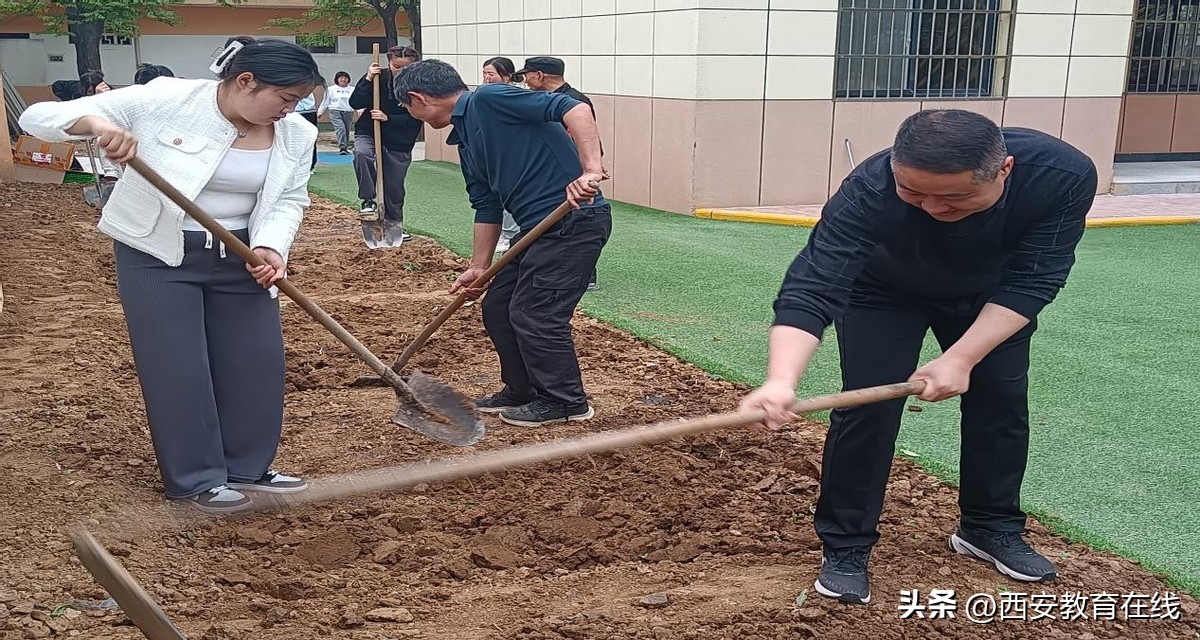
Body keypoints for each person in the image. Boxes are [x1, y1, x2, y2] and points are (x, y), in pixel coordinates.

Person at [739, 110, 1098, 605]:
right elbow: (813, 284)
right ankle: (846, 546)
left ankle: (988, 526)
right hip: (881, 293)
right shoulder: (870, 187)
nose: (931, 207)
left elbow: (1036, 278)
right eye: (913, 193)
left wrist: (963, 357)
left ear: (1005, 170)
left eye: (953, 197)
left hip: (992, 298)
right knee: (867, 407)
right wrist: (781, 379)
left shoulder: (1061, 175)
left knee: (1000, 401)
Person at [19, 36, 324, 515]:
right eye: (284, 99)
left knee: (255, 362)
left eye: (296, 102)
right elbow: (36, 118)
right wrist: (98, 124)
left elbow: (289, 198)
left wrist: (270, 246)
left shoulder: (296, 135)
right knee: (177, 367)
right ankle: (197, 479)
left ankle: (247, 466)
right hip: (158, 253)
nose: (289, 111)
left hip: (242, 257)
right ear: (245, 82)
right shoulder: (166, 98)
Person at [394, 59, 609, 427]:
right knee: (498, 307)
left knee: (536, 313)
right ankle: (522, 389)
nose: (409, 114)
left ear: (417, 98)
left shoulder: (488, 99)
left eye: (406, 107)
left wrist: (590, 170)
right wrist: (479, 267)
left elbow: (574, 107)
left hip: (573, 221)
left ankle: (565, 401)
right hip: (533, 230)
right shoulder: (465, 140)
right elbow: (487, 206)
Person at [516, 56, 601, 291]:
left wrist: (590, 168)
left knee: (579, 219)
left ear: (539, 75)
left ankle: (584, 275)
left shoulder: (571, 100)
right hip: (561, 169)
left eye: (527, 75)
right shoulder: (550, 98)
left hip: (571, 171)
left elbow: (582, 135)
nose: (525, 80)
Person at [349, 45, 423, 249]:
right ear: (388, 62)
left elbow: (417, 117)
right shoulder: (377, 78)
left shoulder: (420, 84)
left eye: (404, 67)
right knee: (362, 154)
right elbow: (355, 102)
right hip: (369, 131)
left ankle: (394, 225)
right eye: (395, 65)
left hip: (399, 140)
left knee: (394, 187)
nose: (398, 70)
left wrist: (388, 118)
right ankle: (367, 200)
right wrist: (367, 79)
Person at [480, 56, 521, 253]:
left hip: (514, 154)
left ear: (506, 76)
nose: (487, 78)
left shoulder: (515, 96)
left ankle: (510, 235)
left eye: (491, 74)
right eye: (484, 73)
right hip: (494, 153)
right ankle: (507, 234)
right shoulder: (482, 95)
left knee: (510, 195)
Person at [318, 71, 356, 155]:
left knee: (346, 130)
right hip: (335, 110)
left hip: (348, 111)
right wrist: (320, 111)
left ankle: (344, 148)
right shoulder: (331, 89)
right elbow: (326, 101)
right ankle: (342, 147)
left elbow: (356, 100)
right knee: (341, 128)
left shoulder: (352, 89)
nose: (343, 79)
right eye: (341, 78)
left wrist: (360, 110)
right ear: (337, 79)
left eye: (345, 78)